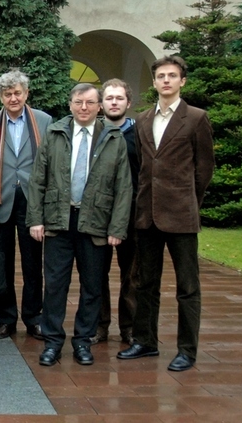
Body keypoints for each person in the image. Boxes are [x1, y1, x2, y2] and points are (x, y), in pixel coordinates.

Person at [117, 55, 215, 372]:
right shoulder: (143, 119)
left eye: (172, 75)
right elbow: (143, 166)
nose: (166, 81)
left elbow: (204, 168)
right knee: (145, 283)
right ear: (155, 82)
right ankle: (145, 341)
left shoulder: (196, 118)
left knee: (188, 286)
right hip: (147, 214)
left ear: (182, 81)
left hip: (181, 214)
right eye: (161, 76)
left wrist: (189, 200)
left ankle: (187, 349)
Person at [27, 83, 132, 367]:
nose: (83, 107)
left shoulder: (113, 137)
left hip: (96, 222)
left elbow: (123, 186)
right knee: (55, 286)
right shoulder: (54, 133)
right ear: (70, 104)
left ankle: (83, 341)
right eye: (78, 102)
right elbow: (37, 179)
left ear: (99, 107)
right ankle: (52, 342)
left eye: (89, 102)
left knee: (93, 286)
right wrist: (35, 219)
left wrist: (117, 228)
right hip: (58, 220)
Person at [0, 70, 52, 341]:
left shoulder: (43, 121)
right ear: (1, 96)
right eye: (8, 94)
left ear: (26, 94)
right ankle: (6, 319)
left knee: (33, 264)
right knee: (3, 263)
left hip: (32, 202)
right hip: (1, 201)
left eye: (17, 93)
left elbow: (49, 162)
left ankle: (33, 318)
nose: (13, 98)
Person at [93, 79, 140, 345]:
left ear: (128, 102)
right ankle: (100, 326)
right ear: (101, 104)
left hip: (132, 214)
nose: (114, 102)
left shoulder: (140, 134)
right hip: (99, 214)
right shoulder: (93, 133)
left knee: (131, 275)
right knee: (97, 274)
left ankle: (129, 328)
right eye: (109, 98)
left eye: (119, 98)